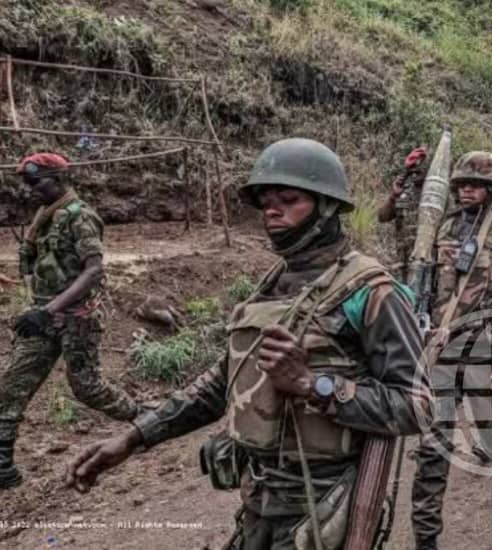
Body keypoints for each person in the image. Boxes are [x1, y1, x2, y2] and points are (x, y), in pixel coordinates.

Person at [66, 139, 432, 549]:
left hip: (325, 504)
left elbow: (416, 406)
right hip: (259, 499)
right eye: (266, 202)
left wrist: (314, 385)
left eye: (288, 199)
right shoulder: (271, 285)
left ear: (327, 207)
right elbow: (222, 382)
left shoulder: (372, 291)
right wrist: (134, 437)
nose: (271, 211)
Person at [411, 151, 492, 549]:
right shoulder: (441, 228)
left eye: (474, 184)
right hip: (442, 354)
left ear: (491, 189)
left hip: (487, 351)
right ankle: (426, 538)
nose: (465, 190)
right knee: (433, 448)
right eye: (461, 184)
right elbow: (424, 288)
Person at [0, 153, 143, 489]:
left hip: (75, 318)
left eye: (36, 182)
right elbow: (36, 263)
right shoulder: (45, 216)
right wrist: (33, 304)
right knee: (12, 386)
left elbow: (94, 270)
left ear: (58, 179)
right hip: (43, 317)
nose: (30, 190)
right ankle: (3, 464)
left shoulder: (80, 217)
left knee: (87, 387)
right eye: (27, 184)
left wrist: (47, 310)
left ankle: (148, 417)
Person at [377, 146, 428, 281]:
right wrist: (393, 196)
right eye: (412, 171)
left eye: (419, 170)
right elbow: (382, 217)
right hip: (402, 261)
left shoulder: (434, 194)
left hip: (425, 261)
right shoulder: (404, 191)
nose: (415, 174)